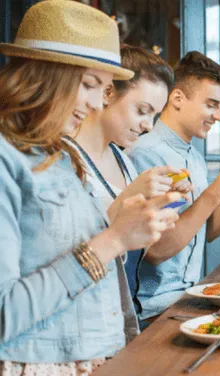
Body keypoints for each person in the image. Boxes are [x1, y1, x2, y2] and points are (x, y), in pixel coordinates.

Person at [0, 1, 180, 374]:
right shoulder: (6, 159)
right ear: (48, 76)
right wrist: (114, 237)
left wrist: (127, 223)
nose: (99, 101)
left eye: (104, 87)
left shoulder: (63, 157)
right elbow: (5, 314)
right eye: (90, 84)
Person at [127, 51, 220, 322]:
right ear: (178, 98)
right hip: (154, 312)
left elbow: (209, 231)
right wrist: (213, 194)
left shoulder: (195, 158)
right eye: (212, 104)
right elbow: (156, 251)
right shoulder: (146, 153)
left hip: (188, 297)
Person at [66, 45, 190, 314]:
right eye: (142, 110)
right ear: (108, 93)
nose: (148, 125)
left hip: (123, 313)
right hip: (83, 315)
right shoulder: (66, 160)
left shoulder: (122, 158)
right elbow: (68, 260)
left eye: (154, 115)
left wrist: (169, 203)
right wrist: (129, 197)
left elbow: (142, 247)